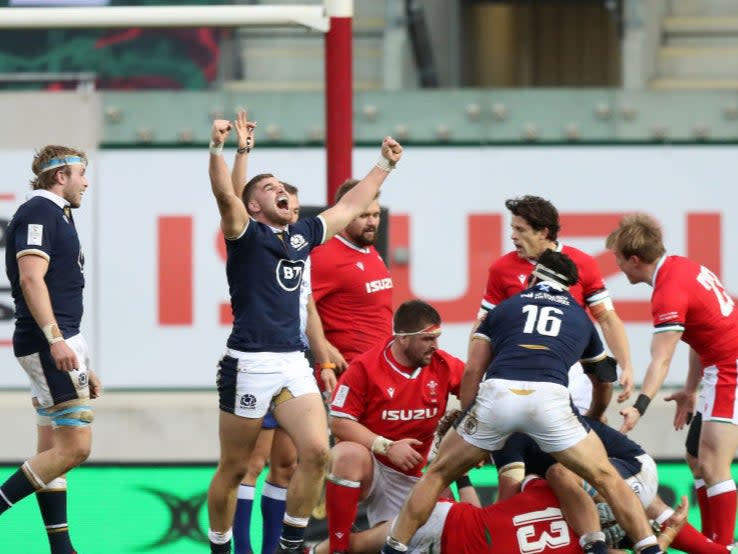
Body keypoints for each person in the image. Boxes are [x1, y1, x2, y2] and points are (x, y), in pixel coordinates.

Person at [205, 113, 403, 554]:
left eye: (281, 186)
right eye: (267, 187)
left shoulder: (301, 236)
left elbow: (350, 206)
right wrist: (223, 150)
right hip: (250, 362)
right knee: (235, 468)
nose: (278, 189)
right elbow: (224, 194)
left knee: (315, 452)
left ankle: (291, 541)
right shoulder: (245, 235)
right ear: (252, 205)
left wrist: (385, 165)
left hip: (293, 361)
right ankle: (221, 545)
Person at [383, 250, 663, 554]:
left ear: (531, 279)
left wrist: (467, 421)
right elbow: (603, 378)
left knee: (437, 474)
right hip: (550, 401)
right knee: (606, 477)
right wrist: (594, 415)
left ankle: (393, 548)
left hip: (498, 395)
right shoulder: (579, 317)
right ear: (569, 288)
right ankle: (650, 548)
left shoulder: (503, 309)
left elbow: (474, 370)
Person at [608, 213, 738, 546]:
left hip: (730, 368)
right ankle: (713, 541)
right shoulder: (682, 266)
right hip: (717, 368)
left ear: (635, 259)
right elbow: (701, 334)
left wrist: (639, 406)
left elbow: (661, 359)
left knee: (714, 464)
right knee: (696, 459)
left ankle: (721, 547)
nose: (618, 268)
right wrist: (691, 389)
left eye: (619, 260)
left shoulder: (668, 291)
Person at [0, 146, 101, 554]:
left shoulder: (56, 214)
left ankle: (61, 548)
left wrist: (80, 356)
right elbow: (30, 279)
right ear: (60, 176)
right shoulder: (40, 212)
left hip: (58, 339)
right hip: (48, 341)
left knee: (52, 449)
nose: (86, 182)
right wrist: (56, 339)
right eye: (81, 173)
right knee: (76, 447)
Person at [324, 299, 464, 554]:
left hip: (414, 472)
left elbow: (477, 390)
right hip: (374, 467)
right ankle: (338, 547)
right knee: (347, 454)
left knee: (452, 526)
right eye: (427, 339)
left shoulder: (443, 365)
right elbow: (339, 422)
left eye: (437, 337)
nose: (435, 346)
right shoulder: (365, 367)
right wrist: (386, 447)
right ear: (402, 338)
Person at [476, 195, 634, 416]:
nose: (513, 236)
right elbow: (482, 327)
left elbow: (607, 318)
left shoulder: (583, 263)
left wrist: (626, 365)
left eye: (521, 230)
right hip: (517, 373)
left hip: (569, 371)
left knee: (579, 439)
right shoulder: (501, 269)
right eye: (513, 228)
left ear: (544, 232)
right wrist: (476, 374)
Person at [494, 417, 733, 553]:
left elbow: (505, 508)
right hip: (634, 470)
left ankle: (597, 545)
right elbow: (604, 381)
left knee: (557, 477)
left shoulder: (506, 438)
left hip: (629, 472)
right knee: (559, 489)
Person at [308, 476, 690, 554]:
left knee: (358, 544)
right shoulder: (589, 551)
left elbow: (558, 475)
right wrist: (666, 533)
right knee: (359, 544)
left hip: (451, 523)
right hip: (452, 526)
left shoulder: (549, 488)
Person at [310, 178, 393, 372]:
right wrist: (326, 350)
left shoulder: (368, 248)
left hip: (377, 369)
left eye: (376, 214)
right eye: (363, 215)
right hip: (346, 372)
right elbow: (295, 307)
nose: (372, 222)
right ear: (345, 214)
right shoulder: (325, 255)